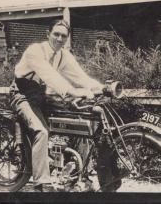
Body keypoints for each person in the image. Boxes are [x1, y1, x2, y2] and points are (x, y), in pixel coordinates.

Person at [9, 19, 114, 192]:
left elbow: (80, 76)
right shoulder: (35, 51)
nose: (59, 39)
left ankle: (80, 175)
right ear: (48, 34)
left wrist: (101, 88)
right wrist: (72, 91)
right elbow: (50, 76)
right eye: (56, 34)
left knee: (81, 121)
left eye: (63, 36)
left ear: (67, 38)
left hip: (43, 95)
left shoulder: (63, 55)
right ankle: (42, 184)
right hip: (22, 94)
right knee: (41, 131)